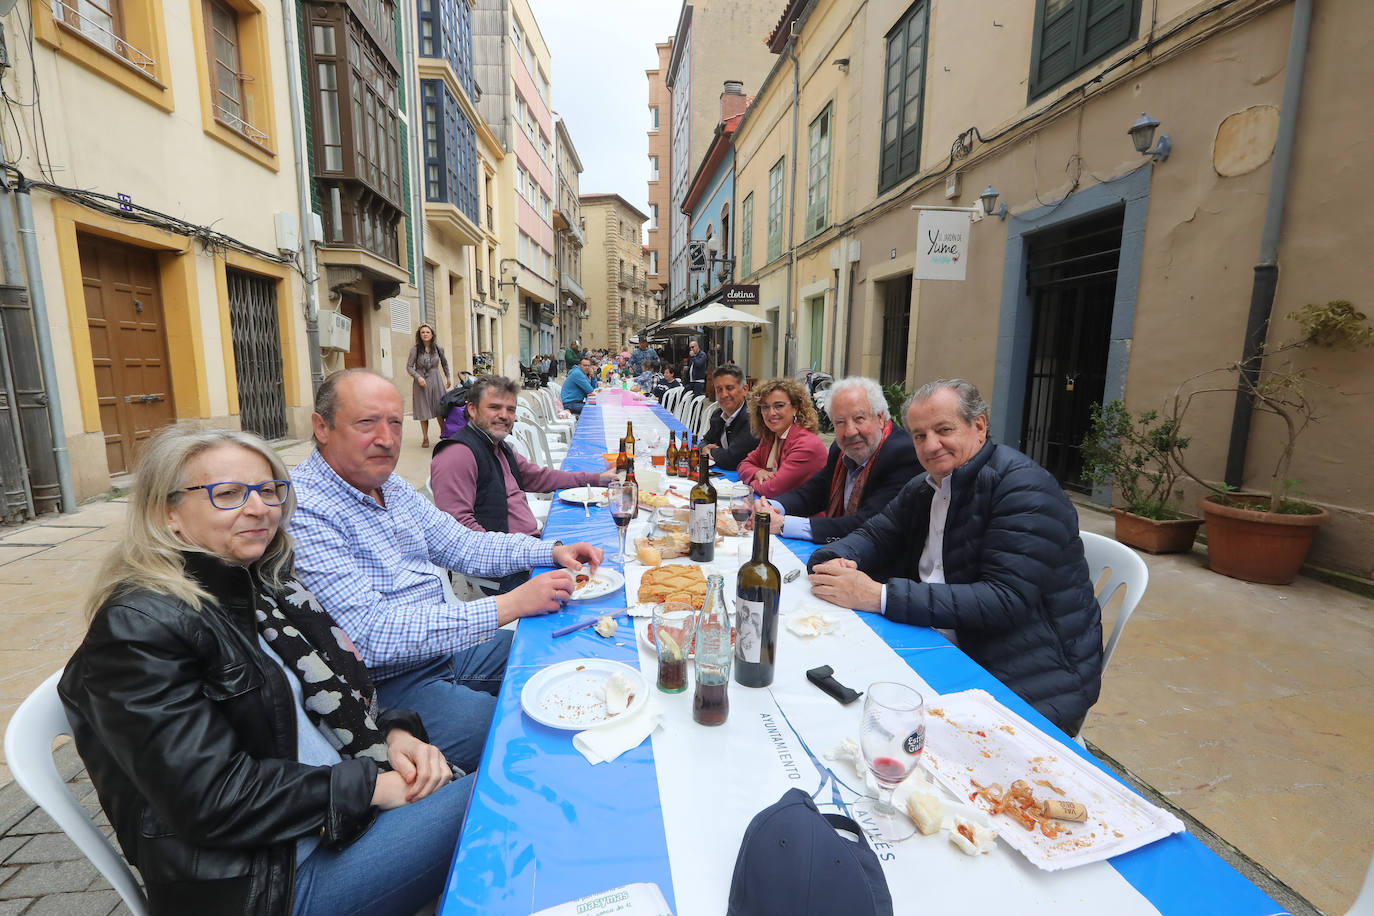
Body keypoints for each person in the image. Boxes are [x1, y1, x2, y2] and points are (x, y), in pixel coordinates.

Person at [58, 425, 470, 916]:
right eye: (228, 494)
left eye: (268, 489)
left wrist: (395, 734)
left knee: (506, 758)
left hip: (329, 818)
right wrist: (372, 787)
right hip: (274, 881)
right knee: (501, 796)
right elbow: (211, 797)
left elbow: (315, 709)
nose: (259, 508)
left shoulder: (263, 586)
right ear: (166, 513)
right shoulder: (138, 628)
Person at [289, 369, 603, 771]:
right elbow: (371, 637)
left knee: (555, 659)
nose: (386, 439)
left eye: (395, 423)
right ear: (322, 427)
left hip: (444, 650)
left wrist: (550, 552)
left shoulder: (391, 487)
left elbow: (463, 545)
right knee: (530, 741)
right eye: (367, 422)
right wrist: (509, 605)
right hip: (390, 685)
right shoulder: (305, 507)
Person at [806, 379, 1103, 734]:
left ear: (979, 426)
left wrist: (878, 596)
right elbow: (873, 533)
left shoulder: (1023, 488)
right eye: (918, 435)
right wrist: (833, 560)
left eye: (943, 430)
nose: (931, 446)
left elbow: (1005, 599)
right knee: (827, 694)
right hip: (941, 640)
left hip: (1029, 672)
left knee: (872, 730)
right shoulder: (927, 485)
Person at [432, 375, 616, 592]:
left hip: (530, 550)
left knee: (606, 553)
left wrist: (595, 479)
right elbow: (460, 536)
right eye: (494, 407)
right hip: (506, 571)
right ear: (471, 409)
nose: (504, 416)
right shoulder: (457, 456)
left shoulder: (498, 446)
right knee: (600, 585)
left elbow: (540, 477)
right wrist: (537, 553)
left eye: (510, 409)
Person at [753, 377, 920, 543]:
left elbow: (867, 524)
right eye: (840, 422)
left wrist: (783, 524)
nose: (850, 431)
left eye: (859, 419)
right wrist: (770, 506)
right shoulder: (839, 450)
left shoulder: (902, 454)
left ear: (880, 417)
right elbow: (812, 493)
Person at [736, 377, 828, 499]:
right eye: (765, 407)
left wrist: (750, 484)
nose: (771, 413)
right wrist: (757, 472)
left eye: (779, 405)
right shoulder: (771, 437)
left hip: (803, 516)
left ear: (795, 408)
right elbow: (743, 465)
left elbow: (772, 489)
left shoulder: (806, 444)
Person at [699, 365, 758, 471]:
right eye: (719, 389)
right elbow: (705, 440)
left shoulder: (752, 419)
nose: (724, 394)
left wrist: (709, 452)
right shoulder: (718, 415)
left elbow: (732, 459)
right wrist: (704, 448)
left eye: (729, 388)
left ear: (744, 389)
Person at [407, 324, 450, 448]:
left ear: (432, 334)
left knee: (439, 409)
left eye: (427, 332)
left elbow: (445, 364)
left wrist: (448, 378)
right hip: (421, 382)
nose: (425, 334)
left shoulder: (438, 348)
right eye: (422, 332)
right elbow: (409, 367)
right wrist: (418, 377)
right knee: (423, 409)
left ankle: (444, 434)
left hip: (436, 379)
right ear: (419, 335)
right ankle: (425, 438)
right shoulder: (415, 350)